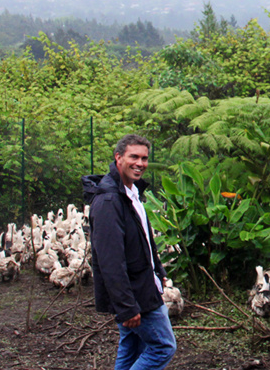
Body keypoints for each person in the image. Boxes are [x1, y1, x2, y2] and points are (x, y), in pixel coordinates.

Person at [83, 134, 177, 370]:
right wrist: (126, 306)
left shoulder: (131, 193)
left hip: (144, 283)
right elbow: (109, 261)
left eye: (144, 158)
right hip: (135, 293)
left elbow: (144, 238)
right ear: (118, 158)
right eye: (133, 156)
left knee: (132, 344)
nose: (140, 163)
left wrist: (158, 269)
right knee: (163, 347)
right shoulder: (109, 200)